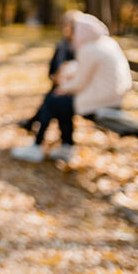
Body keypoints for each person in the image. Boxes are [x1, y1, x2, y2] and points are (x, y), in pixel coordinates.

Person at [11, 12, 131, 163]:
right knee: (59, 101)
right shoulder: (106, 43)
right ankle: (66, 146)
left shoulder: (89, 49)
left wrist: (63, 87)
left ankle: (37, 146)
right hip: (114, 97)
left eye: (72, 30)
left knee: (53, 100)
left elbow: (79, 82)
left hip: (102, 101)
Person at [17, 9, 79, 133]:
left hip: (73, 86)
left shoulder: (79, 47)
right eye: (65, 25)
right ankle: (37, 129)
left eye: (70, 25)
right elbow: (53, 66)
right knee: (52, 97)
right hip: (60, 82)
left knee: (51, 100)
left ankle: (36, 130)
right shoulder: (62, 45)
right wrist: (55, 76)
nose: (66, 29)